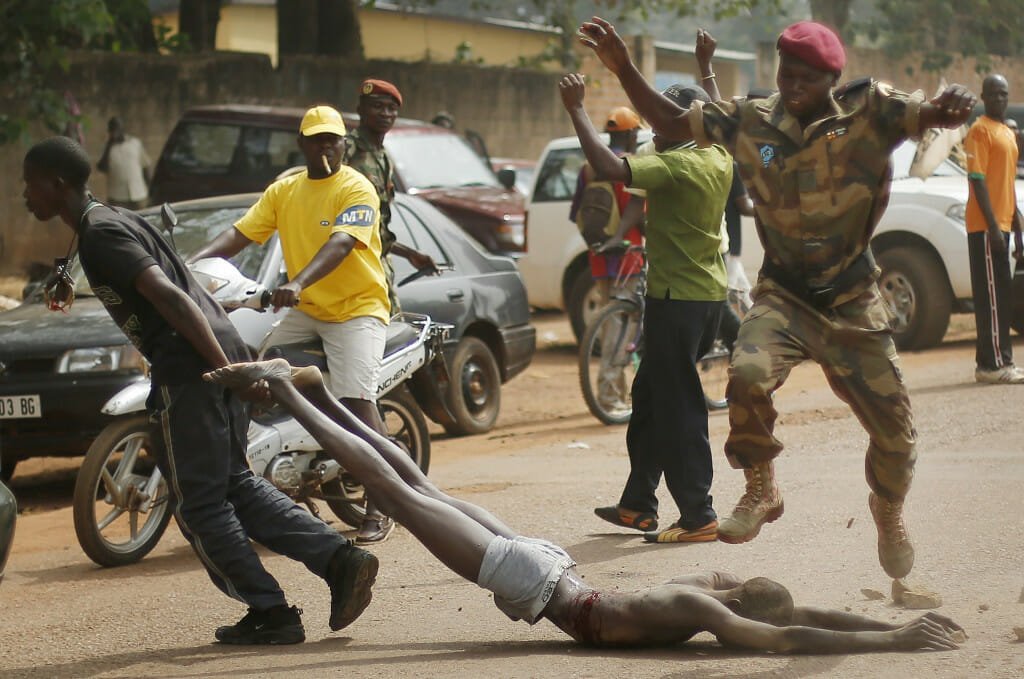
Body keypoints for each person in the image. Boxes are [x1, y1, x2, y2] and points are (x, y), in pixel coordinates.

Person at [203, 357, 965, 654]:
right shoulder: (705, 612)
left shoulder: (713, 588)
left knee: (417, 487)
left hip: (550, 565)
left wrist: (888, 622)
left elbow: (809, 612)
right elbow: (789, 636)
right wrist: (893, 641)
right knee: (399, 492)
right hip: (541, 581)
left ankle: (315, 390)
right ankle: (290, 390)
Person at [575, 17, 977, 577]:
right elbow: (670, 118)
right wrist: (621, 67)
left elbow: (931, 115)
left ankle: (888, 511)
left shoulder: (870, 110)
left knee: (897, 436)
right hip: (785, 295)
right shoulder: (751, 120)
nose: (791, 87)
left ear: (831, 79)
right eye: (786, 73)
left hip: (852, 297)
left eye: (805, 79)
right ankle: (761, 489)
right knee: (746, 374)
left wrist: (950, 106)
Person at [21, 136, 379, 645]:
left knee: (198, 505)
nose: (23, 195)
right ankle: (341, 560)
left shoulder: (102, 232)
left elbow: (172, 297)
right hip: (210, 356)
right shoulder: (111, 220)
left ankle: (271, 611)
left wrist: (226, 369)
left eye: (28, 183)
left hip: (193, 369)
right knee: (232, 485)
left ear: (56, 184)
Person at [188, 105, 396, 545]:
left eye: (333, 139)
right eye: (317, 139)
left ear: (344, 144)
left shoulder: (356, 187)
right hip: (306, 309)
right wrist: (188, 266)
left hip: (356, 309)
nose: (326, 147)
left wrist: (297, 282)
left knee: (357, 404)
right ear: (301, 144)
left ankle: (380, 503)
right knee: (244, 361)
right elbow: (240, 234)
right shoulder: (285, 191)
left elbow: (342, 243)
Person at [563, 76, 733, 544]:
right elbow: (718, 116)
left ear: (687, 126)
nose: (653, 126)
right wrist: (708, 70)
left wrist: (576, 108)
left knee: (678, 408)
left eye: (664, 119)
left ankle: (699, 514)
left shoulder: (675, 166)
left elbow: (605, 165)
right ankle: (638, 503)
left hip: (677, 302)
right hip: (701, 299)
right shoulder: (717, 155)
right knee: (652, 400)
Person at [570, 106, 646, 414]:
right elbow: (638, 214)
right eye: (636, 133)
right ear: (629, 134)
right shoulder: (626, 166)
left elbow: (577, 213)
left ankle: (617, 390)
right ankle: (609, 394)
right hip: (628, 256)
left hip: (600, 256)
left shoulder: (589, 167)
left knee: (611, 324)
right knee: (621, 329)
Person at [343, 79, 438, 312]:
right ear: (360, 110)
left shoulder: (383, 157)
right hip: (353, 269)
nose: (385, 113)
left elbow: (376, 229)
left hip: (379, 264)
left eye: (391, 108)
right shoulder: (347, 150)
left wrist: (410, 254)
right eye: (377, 106)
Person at [964, 74, 1024, 384]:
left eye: (1004, 94)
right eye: (994, 94)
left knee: (1000, 296)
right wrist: (993, 227)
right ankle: (995, 366)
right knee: (990, 297)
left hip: (1003, 224)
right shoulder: (979, 131)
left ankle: (993, 362)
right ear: (984, 97)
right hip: (986, 227)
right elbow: (977, 181)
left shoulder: (1006, 132)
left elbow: (1006, 181)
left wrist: (1016, 219)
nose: (1000, 99)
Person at [96, 116, 151, 209]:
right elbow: (102, 168)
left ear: (122, 129)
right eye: (112, 129)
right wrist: (109, 146)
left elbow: (145, 166)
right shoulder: (106, 148)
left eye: (117, 128)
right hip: (117, 197)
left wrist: (150, 188)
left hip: (139, 193)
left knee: (143, 220)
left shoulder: (135, 143)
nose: (115, 132)